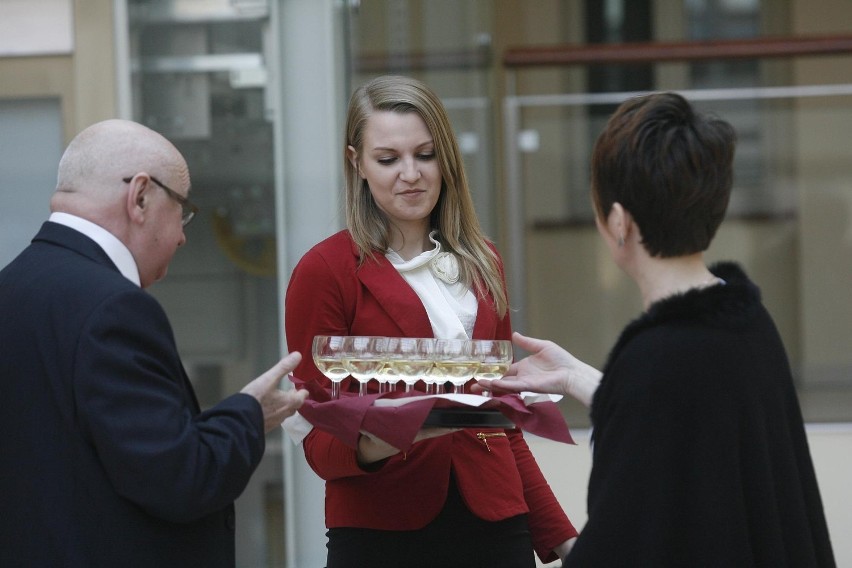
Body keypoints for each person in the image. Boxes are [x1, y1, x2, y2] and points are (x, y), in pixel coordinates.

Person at [478, 92, 836, 566]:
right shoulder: (747, 322)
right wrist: (576, 378)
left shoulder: (656, 359)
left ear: (619, 222)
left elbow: (625, 538)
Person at [284, 75, 578, 567]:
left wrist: (567, 541)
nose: (411, 174)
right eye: (388, 159)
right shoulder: (326, 271)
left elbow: (501, 424)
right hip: (384, 532)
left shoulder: (484, 262)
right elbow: (318, 440)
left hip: (496, 525)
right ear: (355, 163)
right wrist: (389, 437)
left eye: (425, 155)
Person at [0, 119, 308, 568]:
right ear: (140, 196)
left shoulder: (12, 285)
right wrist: (247, 416)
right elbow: (179, 479)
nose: (183, 234)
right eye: (182, 209)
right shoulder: (113, 307)